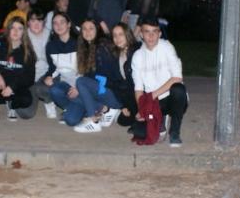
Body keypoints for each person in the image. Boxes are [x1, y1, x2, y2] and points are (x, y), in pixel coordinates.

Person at [132, 17, 186, 147]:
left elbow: (177, 78)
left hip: (172, 98)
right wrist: (142, 109)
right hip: (154, 102)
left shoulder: (167, 47)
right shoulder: (138, 56)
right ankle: (160, 118)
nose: (151, 36)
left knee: (178, 89)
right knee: (140, 133)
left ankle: (174, 132)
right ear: (141, 35)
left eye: (154, 31)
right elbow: (138, 88)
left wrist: (152, 96)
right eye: (147, 31)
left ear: (159, 34)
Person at [69, 19, 122, 133]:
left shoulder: (102, 46)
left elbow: (104, 77)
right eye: (84, 29)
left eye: (91, 28)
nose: (87, 32)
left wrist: (87, 88)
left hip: (114, 92)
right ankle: (105, 109)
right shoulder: (87, 47)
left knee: (81, 82)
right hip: (104, 90)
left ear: (97, 30)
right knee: (73, 95)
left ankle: (94, 121)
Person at [42, 13, 81, 124]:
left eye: (62, 22)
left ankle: (82, 108)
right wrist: (49, 76)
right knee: (54, 90)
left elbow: (88, 69)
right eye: (55, 23)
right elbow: (52, 67)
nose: (58, 25)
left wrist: (79, 87)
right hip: (66, 83)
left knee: (71, 120)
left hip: (82, 84)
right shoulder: (51, 45)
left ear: (69, 24)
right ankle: (70, 107)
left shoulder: (79, 42)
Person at [109, 22, 139, 128]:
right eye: (115, 35)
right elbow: (115, 83)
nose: (117, 38)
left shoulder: (137, 51)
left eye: (121, 34)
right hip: (128, 96)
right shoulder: (115, 55)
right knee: (123, 121)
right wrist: (122, 106)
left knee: (140, 130)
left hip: (142, 94)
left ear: (127, 34)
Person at [27, 8, 51, 85]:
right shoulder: (23, 36)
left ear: (44, 22)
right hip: (28, 74)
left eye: (39, 21)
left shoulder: (51, 36)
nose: (36, 24)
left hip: (47, 74)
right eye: (33, 21)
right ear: (28, 23)